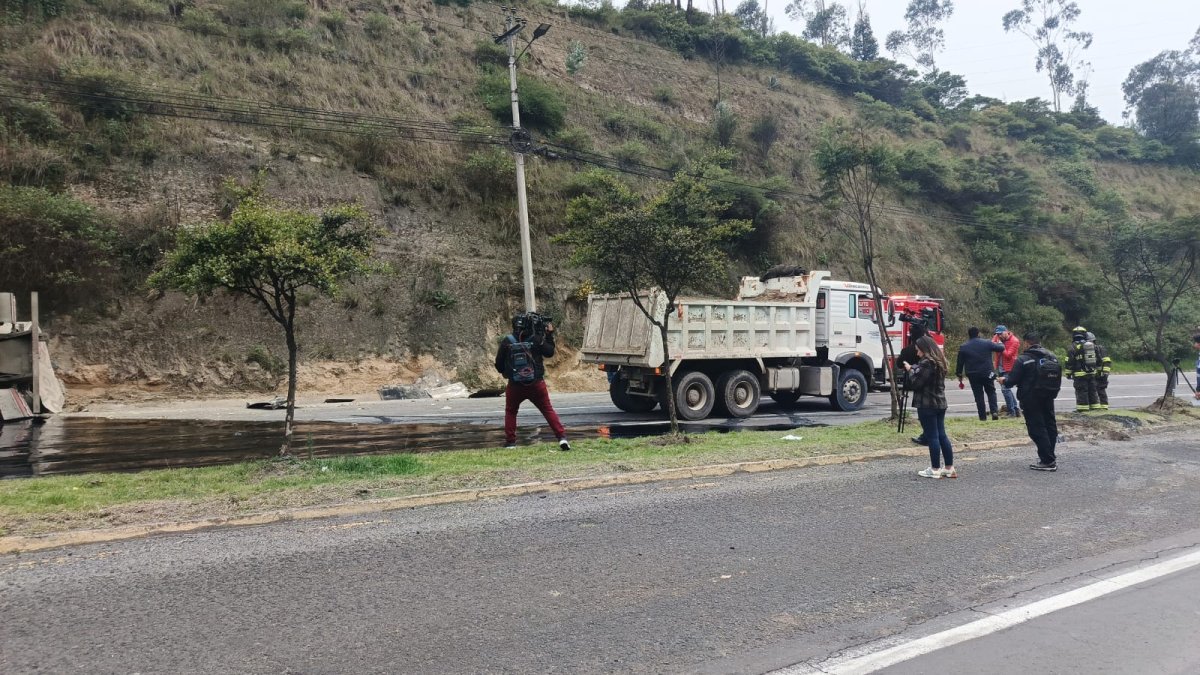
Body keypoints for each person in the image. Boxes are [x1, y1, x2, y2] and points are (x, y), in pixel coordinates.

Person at [494, 313, 570, 451]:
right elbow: (549, 352)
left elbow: (498, 365)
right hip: (536, 383)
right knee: (547, 410)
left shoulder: (507, 341)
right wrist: (548, 335)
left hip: (515, 385)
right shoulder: (536, 339)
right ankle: (562, 438)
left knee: (511, 411)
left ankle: (511, 443)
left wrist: (509, 371)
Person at [998, 331, 1061, 471]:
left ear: (1026, 343)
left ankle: (1048, 461)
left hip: (1031, 398)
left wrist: (1003, 380)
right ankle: (1049, 456)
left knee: (1037, 429)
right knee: (1050, 425)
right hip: (1048, 395)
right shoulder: (1052, 356)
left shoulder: (1023, 359)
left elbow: (1011, 381)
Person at [903, 335, 955, 478]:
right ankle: (949, 467)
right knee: (942, 435)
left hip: (927, 404)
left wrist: (910, 370)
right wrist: (915, 369)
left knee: (932, 437)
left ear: (925, 349)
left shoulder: (927, 363)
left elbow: (916, 383)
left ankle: (935, 469)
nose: (917, 353)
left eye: (918, 350)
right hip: (940, 403)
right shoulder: (940, 361)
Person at [955, 326, 1004, 421]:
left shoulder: (964, 346)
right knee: (991, 391)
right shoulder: (987, 343)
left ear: (969, 335)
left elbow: (960, 362)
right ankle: (994, 411)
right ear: (978, 334)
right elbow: (1001, 348)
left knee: (978, 395)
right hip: (987, 372)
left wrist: (959, 374)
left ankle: (982, 417)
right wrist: (998, 340)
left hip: (973, 374)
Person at [898, 322, 928, 445]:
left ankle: (927, 435)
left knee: (923, 411)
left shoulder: (907, 351)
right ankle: (927, 434)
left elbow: (899, 364)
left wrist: (909, 367)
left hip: (913, 382)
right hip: (931, 385)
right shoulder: (931, 350)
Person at [1065, 326, 1101, 412]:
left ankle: (1083, 410)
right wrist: (1098, 371)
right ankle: (1095, 408)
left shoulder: (1072, 347)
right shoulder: (1092, 346)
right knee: (1093, 391)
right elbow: (1099, 359)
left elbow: (1069, 361)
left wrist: (1068, 373)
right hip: (1091, 373)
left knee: (1082, 392)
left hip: (1079, 375)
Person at [993, 325, 1021, 418]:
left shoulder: (1014, 341)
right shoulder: (997, 337)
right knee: (1007, 389)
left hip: (1009, 368)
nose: (999, 336)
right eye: (997, 334)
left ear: (1006, 331)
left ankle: (1011, 412)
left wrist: (1001, 346)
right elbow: (992, 344)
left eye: (1000, 334)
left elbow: (1008, 355)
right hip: (1000, 367)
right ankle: (1016, 410)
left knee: (1005, 389)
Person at [1088, 331, 1112, 410]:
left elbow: (1107, 361)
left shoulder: (1100, 349)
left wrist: (1105, 373)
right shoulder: (1087, 351)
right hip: (1092, 375)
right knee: (1091, 392)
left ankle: (1104, 407)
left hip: (1100, 375)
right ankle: (1094, 408)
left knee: (1101, 391)